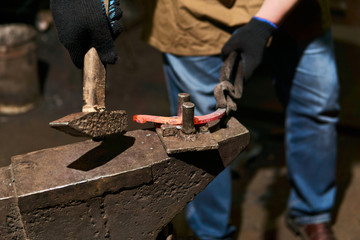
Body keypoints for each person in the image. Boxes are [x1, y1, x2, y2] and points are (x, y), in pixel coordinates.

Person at [50, 0, 340, 239]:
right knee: (199, 137)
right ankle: (211, 233)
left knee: (316, 108)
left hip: (296, 13)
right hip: (192, 15)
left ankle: (313, 212)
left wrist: (265, 23)